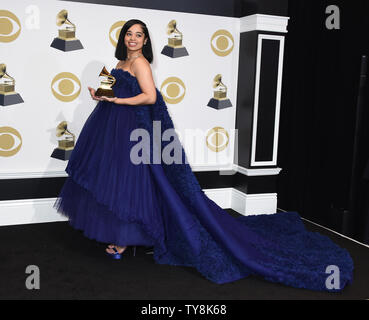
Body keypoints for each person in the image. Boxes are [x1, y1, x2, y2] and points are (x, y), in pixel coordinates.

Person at [54, 19, 354, 291]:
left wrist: (117, 100)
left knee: (136, 183)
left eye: (139, 35)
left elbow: (150, 97)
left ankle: (124, 239)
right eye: (129, 34)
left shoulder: (142, 64)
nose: (133, 39)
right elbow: (112, 92)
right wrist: (101, 95)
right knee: (116, 181)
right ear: (124, 38)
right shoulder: (119, 62)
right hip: (111, 128)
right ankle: (120, 234)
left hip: (134, 129)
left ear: (145, 41)